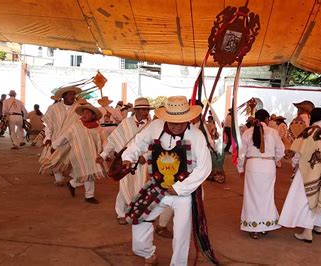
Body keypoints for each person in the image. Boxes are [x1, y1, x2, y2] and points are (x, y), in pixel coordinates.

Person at [122, 96, 214, 265]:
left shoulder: (197, 135)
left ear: (188, 118)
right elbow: (138, 144)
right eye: (172, 121)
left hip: (184, 193)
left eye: (180, 121)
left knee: (181, 234)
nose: (176, 125)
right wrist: (128, 157)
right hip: (157, 187)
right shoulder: (155, 127)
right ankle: (147, 253)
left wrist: (180, 188)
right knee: (139, 218)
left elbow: (204, 167)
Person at [279, 107, 321, 243]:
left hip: (308, 171)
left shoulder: (308, 131)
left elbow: (298, 152)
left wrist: (294, 165)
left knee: (306, 199)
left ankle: (307, 232)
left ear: (312, 117)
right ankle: (318, 226)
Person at [97, 98, 153, 224]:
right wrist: (104, 154)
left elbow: (155, 144)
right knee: (124, 187)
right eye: (143, 109)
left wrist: (147, 156)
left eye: (147, 109)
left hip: (142, 163)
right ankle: (121, 213)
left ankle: (137, 212)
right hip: (125, 161)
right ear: (137, 110)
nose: (146, 112)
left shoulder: (152, 125)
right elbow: (113, 140)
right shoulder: (125, 123)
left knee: (142, 187)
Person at [237, 109, 285, 239]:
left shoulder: (247, 132)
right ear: (267, 119)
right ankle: (265, 226)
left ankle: (253, 228)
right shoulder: (273, 132)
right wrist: (274, 160)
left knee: (252, 196)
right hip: (268, 166)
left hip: (253, 166)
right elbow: (281, 151)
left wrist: (240, 168)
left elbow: (242, 153)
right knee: (267, 196)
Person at [52, 103, 106, 204]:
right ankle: (88, 195)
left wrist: (105, 154)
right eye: (83, 113)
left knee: (89, 174)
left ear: (93, 115)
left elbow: (105, 142)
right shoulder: (76, 126)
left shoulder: (99, 129)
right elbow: (65, 137)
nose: (84, 115)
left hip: (93, 155)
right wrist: (54, 145)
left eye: (87, 113)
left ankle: (72, 184)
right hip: (79, 154)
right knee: (88, 174)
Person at [40, 86, 82, 186]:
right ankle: (58, 179)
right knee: (55, 157)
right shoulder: (54, 108)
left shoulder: (79, 108)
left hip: (73, 138)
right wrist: (48, 137)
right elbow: (48, 125)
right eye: (70, 94)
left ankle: (75, 176)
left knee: (74, 158)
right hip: (56, 137)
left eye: (73, 94)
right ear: (64, 96)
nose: (73, 96)